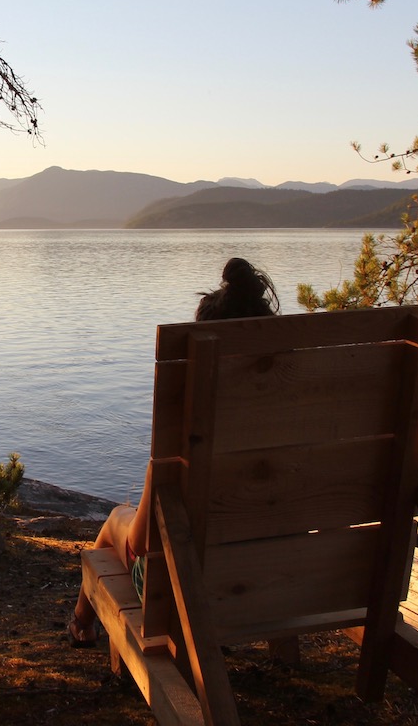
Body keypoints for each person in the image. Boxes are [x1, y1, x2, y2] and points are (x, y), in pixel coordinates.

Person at [67, 257, 279, 646]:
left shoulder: (187, 431)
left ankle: (81, 624)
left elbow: (145, 544)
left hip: (188, 593)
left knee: (118, 519)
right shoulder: (297, 420)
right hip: (284, 578)